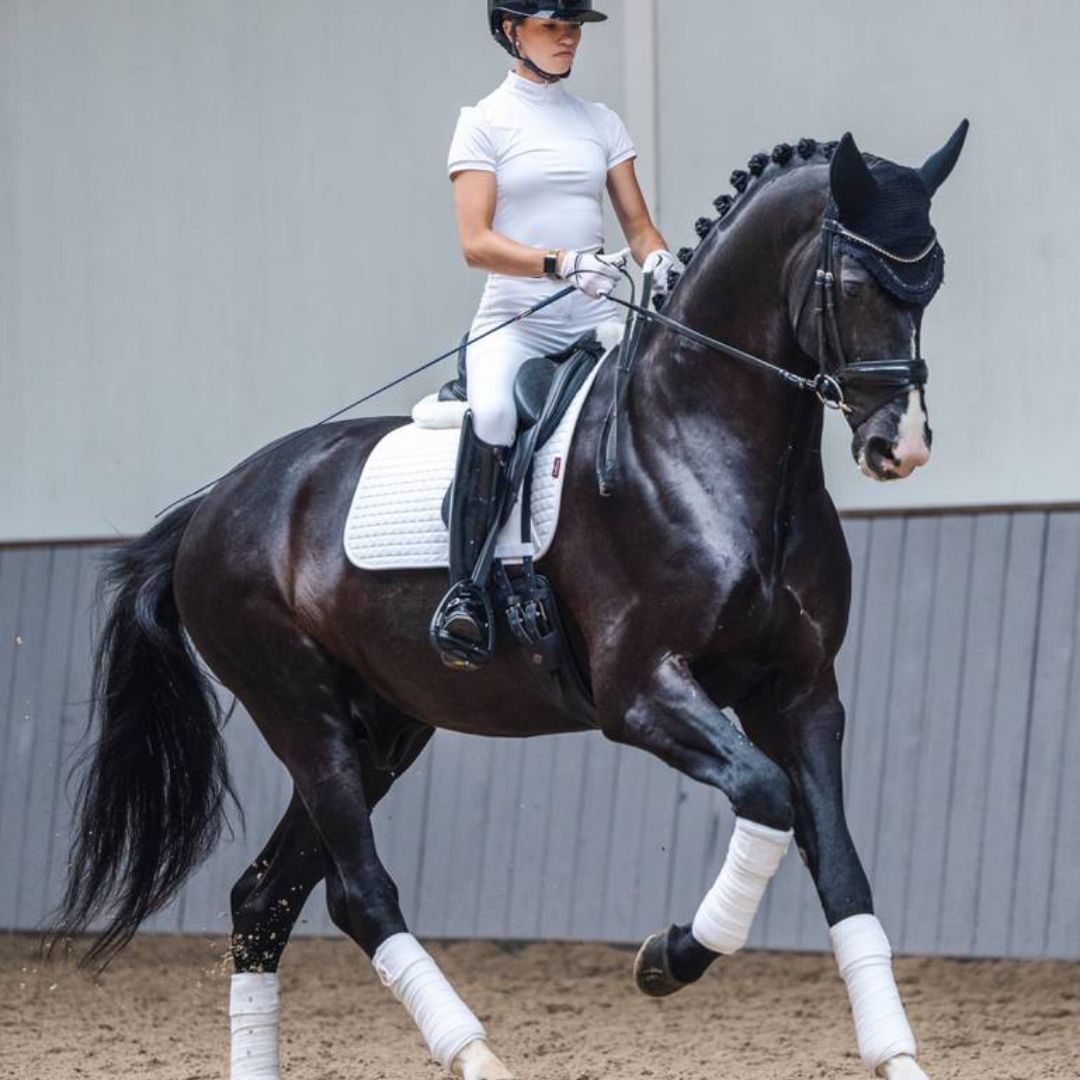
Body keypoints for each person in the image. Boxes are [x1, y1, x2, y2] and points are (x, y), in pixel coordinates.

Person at [430, 0, 674, 668]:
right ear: (511, 31)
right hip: (517, 323)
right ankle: (467, 593)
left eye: (573, 26)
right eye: (550, 25)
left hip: (594, 323)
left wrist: (662, 261)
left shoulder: (600, 122)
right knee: (497, 410)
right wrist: (560, 263)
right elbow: (475, 243)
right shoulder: (482, 124)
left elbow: (638, 226)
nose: (568, 37)